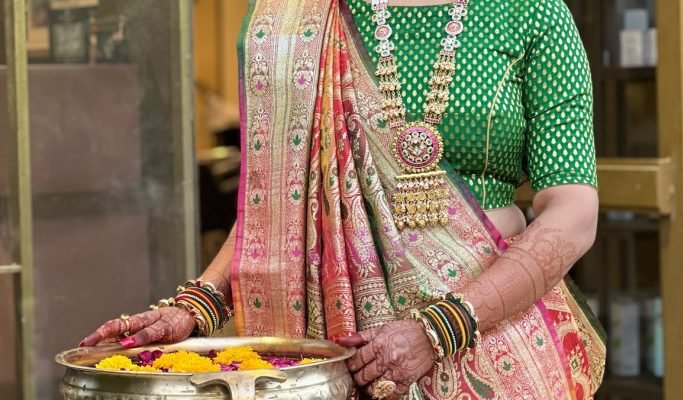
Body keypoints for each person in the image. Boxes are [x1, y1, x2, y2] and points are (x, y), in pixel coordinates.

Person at [81, 0, 606, 398]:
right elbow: (279, 203)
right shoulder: (301, 19)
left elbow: (573, 212)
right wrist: (200, 303)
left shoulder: (531, 12)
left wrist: (443, 326)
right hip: (332, 347)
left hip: (489, 329)